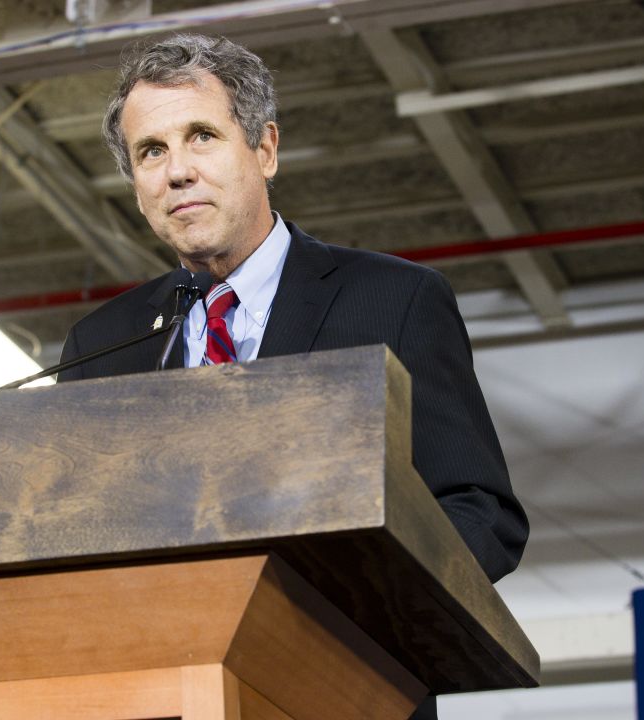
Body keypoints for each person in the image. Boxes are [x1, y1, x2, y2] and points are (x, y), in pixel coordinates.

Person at [58, 33, 527, 718]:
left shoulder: (393, 300)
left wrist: (344, 604)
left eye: (202, 137)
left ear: (265, 149)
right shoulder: (102, 343)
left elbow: (478, 512)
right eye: (150, 152)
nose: (177, 171)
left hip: (350, 684)